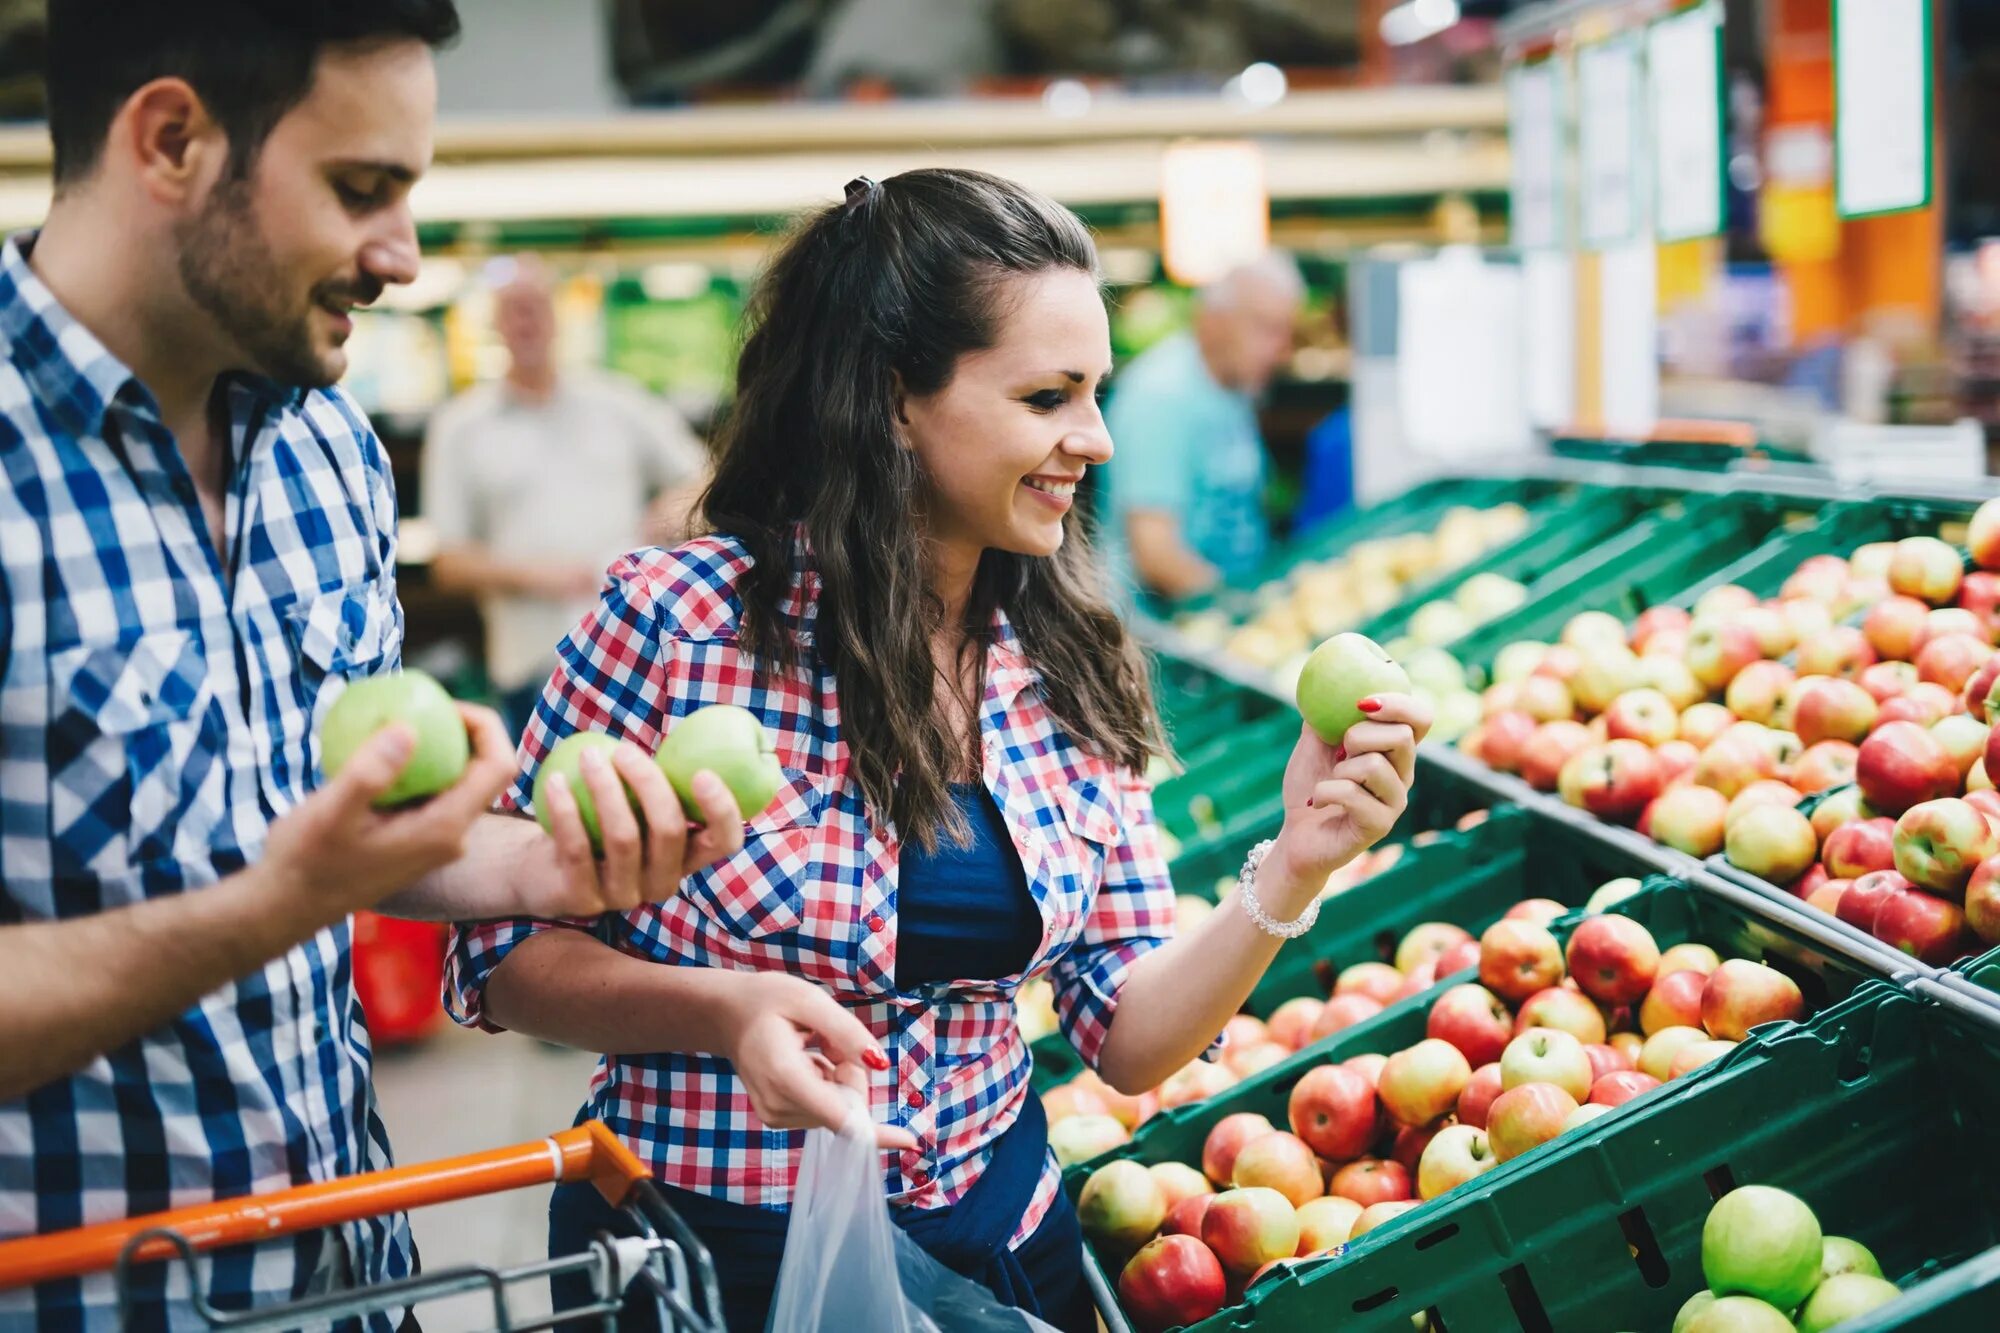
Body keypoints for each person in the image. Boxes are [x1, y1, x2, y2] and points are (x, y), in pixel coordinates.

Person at [443, 169, 1427, 1333]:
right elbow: (501, 953)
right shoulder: (674, 619)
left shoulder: (1067, 651)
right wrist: (723, 1009)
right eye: (1049, 395)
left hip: (1000, 1245)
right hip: (713, 1252)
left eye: (1095, 392)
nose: (1095, 439)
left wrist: (1296, 862)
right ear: (895, 397)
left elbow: (1124, 1033)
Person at [0, 5, 814, 1326]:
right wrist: (268, 907)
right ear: (170, 141)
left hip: (346, 1267)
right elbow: (289, 888)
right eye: (361, 189)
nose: (404, 255)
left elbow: (368, 846)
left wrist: (539, 867)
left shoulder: (326, 453)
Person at [423, 256, 710, 737]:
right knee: (537, 809)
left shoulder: (619, 402)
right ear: (496, 324)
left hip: (633, 659)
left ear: (557, 317)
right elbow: (447, 562)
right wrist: (540, 576)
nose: (526, 321)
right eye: (514, 310)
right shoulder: (459, 427)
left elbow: (709, 477)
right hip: (529, 667)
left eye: (536, 307)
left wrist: (667, 515)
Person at [1101, 252, 1305, 605]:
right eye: (1266, 328)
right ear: (1212, 322)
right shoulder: (1160, 397)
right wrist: (1248, 610)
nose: (1281, 350)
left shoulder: (1234, 387)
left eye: (1286, 330)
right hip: (1160, 640)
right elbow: (1156, 555)